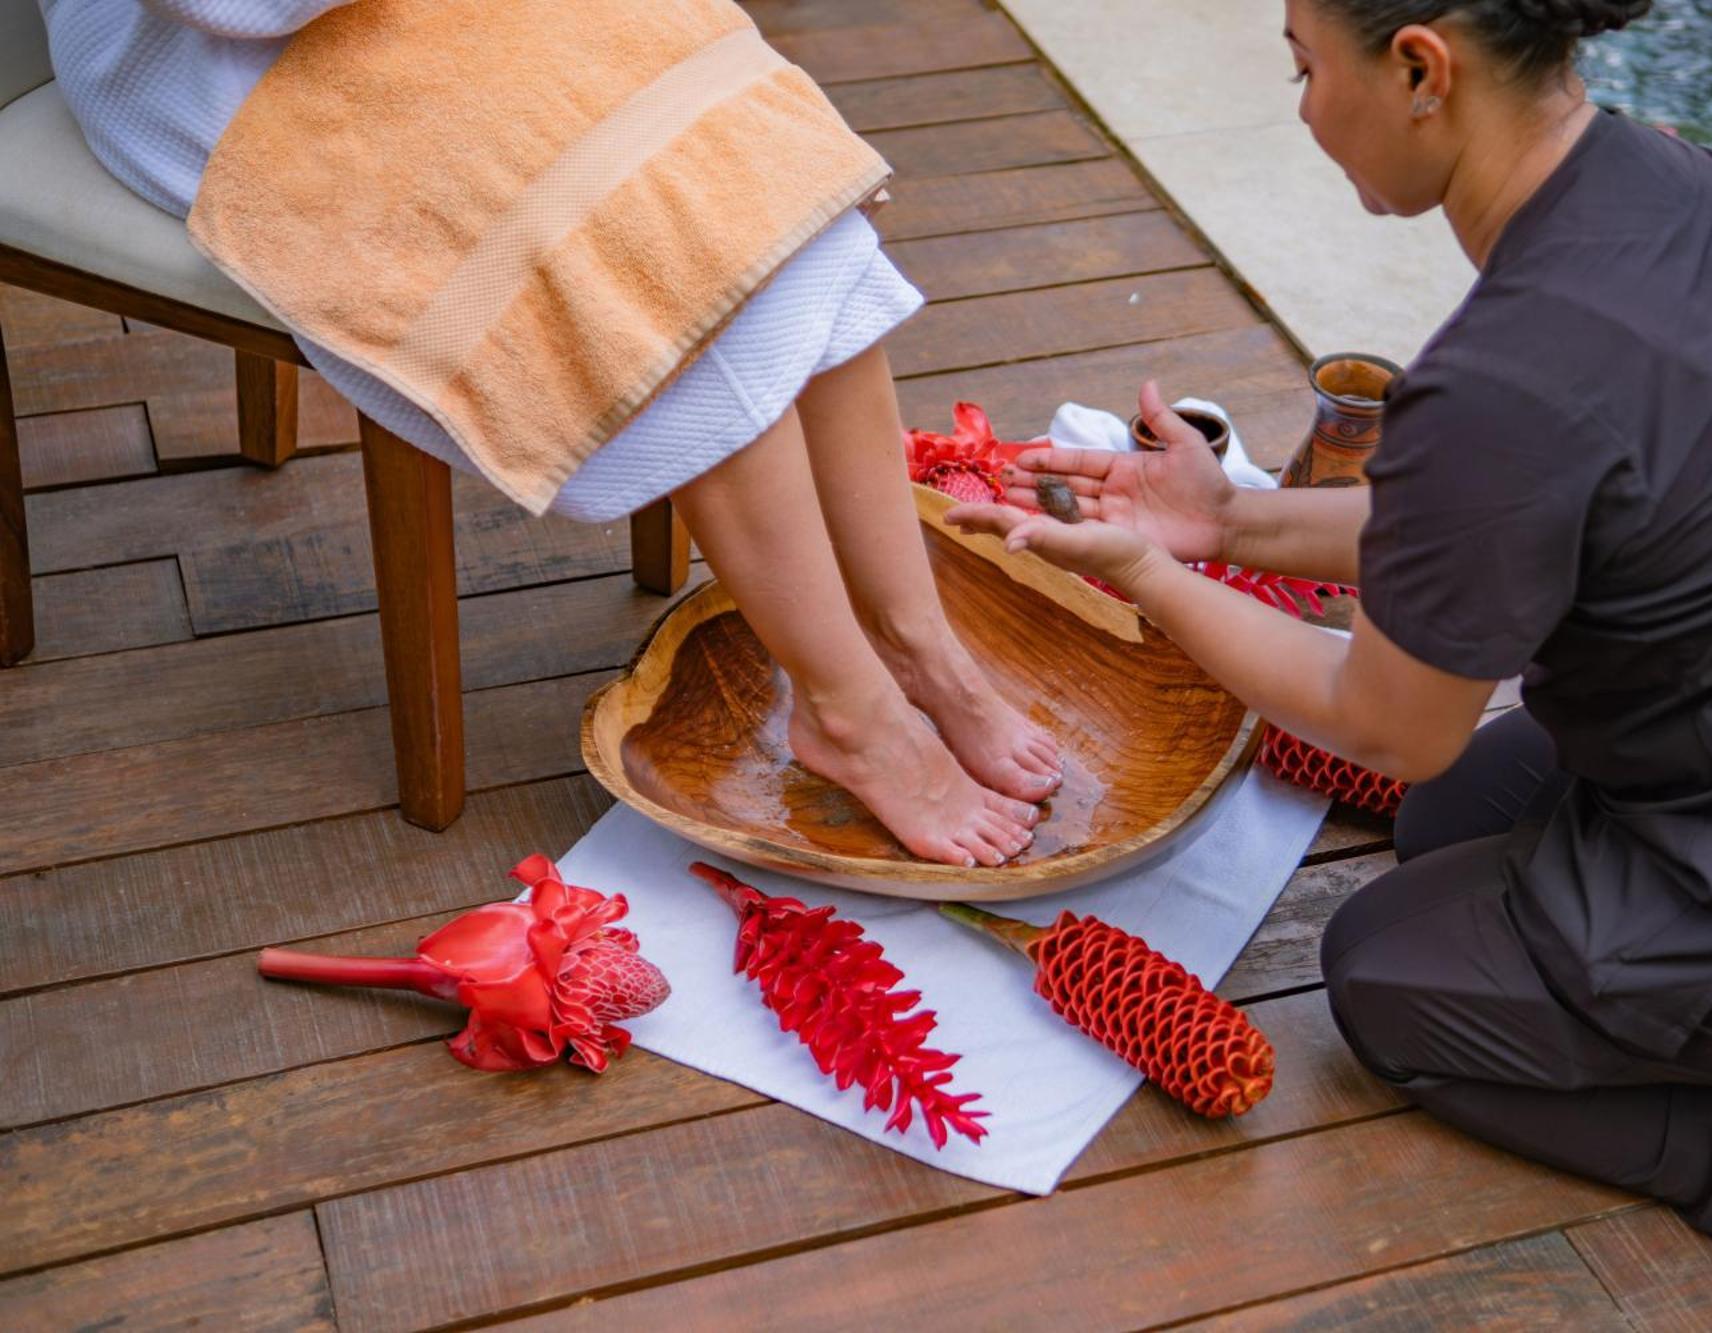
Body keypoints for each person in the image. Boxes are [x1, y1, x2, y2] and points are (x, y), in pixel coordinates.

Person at [949, 0, 1712, 1277]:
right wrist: (1222, 519)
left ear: (1417, 69)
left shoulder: (1501, 376)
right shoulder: (1671, 179)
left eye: (1303, 68)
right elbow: (1492, 501)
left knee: (1388, 974)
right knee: (1449, 818)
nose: (1301, 110)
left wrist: (1146, 580)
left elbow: (1386, 720)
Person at [39, 0, 1059, 868]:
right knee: (660, 290)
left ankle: (916, 646)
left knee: (766, 182)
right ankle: (849, 711)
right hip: (233, 64)